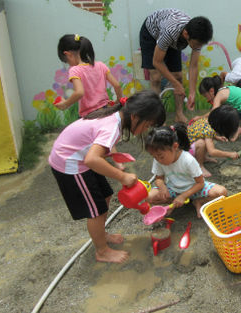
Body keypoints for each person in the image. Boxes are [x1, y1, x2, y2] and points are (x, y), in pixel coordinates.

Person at [49, 90, 166, 263]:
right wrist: (121, 176)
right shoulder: (112, 125)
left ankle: (101, 235)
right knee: (96, 210)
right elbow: (92, 159)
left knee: (106, 195)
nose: (146, 129)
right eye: (147, 125)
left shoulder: (115, 116)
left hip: (79, 158)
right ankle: (102, 251)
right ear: (135, 116)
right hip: (70, 163)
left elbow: (98, 144)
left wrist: (116, 160)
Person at [55, 34, 125, 169]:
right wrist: (118, 101)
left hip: (90, 113)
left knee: (97, 140)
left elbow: (79, 92)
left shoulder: (75, 70)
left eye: (66, 60)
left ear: (68, 54)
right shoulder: (100, 65)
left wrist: (65, 104)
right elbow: (116, 85)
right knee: (106, 136)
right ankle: (118, 163)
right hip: (106, 108)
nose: (68, 63)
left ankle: (104, 164)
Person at [139, 8, 213, 123]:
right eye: (197, 44)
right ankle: (157, 118)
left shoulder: (197, 36)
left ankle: (179, 114)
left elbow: (193, 66)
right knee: (156, 77)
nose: (198, 46)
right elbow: (157, 62)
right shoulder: (170, 31)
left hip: (173, 35)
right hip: (151, 33)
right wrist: (175, 84)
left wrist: (192, 93)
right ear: (186, 34)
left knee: (178, 75)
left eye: (201, 44)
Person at [145, 124, 227, 218]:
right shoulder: (158, 159)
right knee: (148, 196)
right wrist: (163, 187)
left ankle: (199, 201)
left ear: (175, 146)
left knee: (221, 192)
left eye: (161, 156)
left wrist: (183, 196)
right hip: (173, 190)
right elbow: (158, 179)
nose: (158, 160)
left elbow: (200, 183)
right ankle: (173, 203)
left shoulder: (188, 160)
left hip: (195, 190)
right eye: (154, 156)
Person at [187, 105, 241, 177]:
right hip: (186, 152)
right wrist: (229, 154)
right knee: (202, 143)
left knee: (207, 140)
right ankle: (199, 166)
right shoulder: (209, 131)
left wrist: (217, 138)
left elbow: (203, 133)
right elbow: (212, 152)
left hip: (189, 144)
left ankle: (203, 157)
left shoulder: (206, 120)